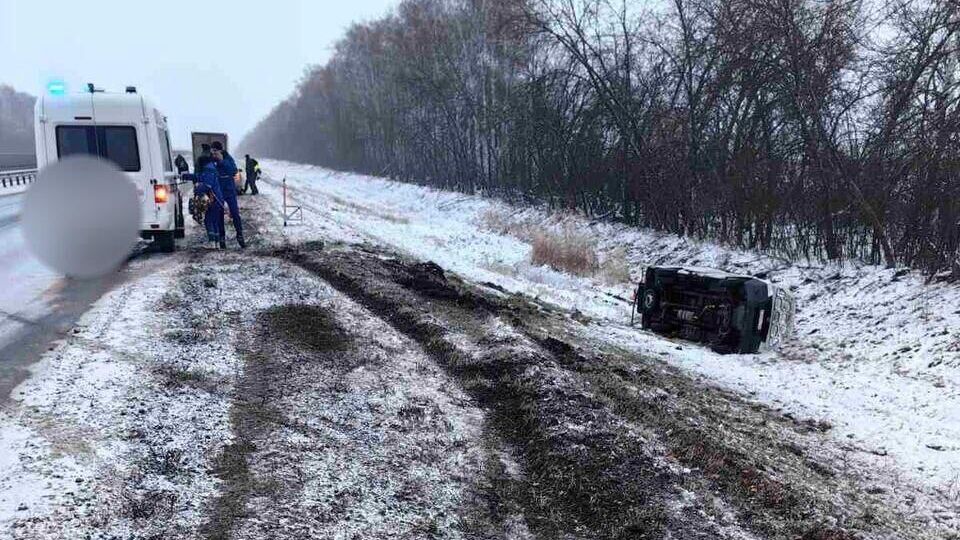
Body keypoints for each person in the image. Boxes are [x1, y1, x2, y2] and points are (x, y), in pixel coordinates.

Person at [211, 141, 245, 248]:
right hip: (218, 191)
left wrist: (222, 161)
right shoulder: (212, 160)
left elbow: (234, 171)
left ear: (220, 150)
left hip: (229, 191)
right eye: (212, 151)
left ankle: (240, 235)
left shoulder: (228, 158)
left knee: (235, 213)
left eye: (215, 151)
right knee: (219, 215)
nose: (214, 154)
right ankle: (221, 238)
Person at [193, 155, 227, 247]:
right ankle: (216, 243)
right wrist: (187, 176)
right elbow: (199, 177)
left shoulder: (208, 171)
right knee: (214, 221)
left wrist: (197, 189)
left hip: (214, 200)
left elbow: (207, 185)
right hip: (218, 199)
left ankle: (212, 242)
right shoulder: (210, 168)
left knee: (209, 220)